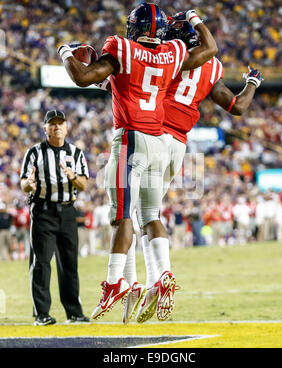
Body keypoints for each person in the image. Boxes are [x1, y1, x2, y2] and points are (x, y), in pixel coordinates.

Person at [57, 2, 218, 322]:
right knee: (147, 214)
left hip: (135, 137)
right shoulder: (173, 53)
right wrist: (195, 20)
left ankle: (121, 280)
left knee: (121, 214)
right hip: (166, 143)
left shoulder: (121, 46)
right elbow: (206, 51)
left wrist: (65, 52)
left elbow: (88, 77)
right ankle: (161, 275)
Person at [123, 17, 264, 324]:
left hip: (155, 136)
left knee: (141, 214)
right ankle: (152, 282)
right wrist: (252, 82)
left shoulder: (169, 56)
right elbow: (237, 107)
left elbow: (141, 82)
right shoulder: (211, 67)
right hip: (179, 145)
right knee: (146, 213)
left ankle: (155, 278)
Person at [20, 110, 90, 326]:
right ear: (45, 128)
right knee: (41, 263)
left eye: (60, 123)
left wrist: (73, 177)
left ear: (67, 127)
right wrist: (28, 185)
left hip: (68, 211)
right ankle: (42, 314)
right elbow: (24, 183)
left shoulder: (76, 153)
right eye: (52, 124)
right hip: (43, 211)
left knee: (69, 264)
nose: (56, 127)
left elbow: (84, 184)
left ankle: (74, 313)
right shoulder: (34, 152)